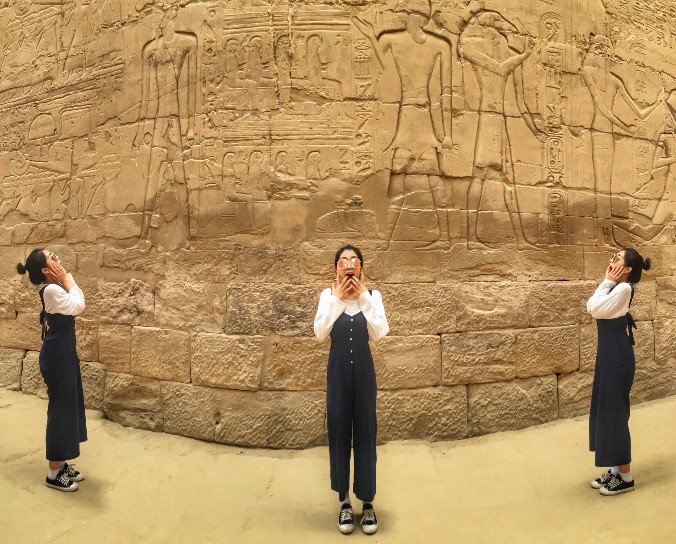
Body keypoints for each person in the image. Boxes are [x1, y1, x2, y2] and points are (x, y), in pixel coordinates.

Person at [314, 245, 389, 534]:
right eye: (343, 261)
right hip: (338, 375)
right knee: (339, 432)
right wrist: (337, 299)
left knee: (366, 432)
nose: (348, 264)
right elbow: (320, 332)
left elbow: (380, 332)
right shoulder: (327, 296)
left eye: (354, 260)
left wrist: (363, 297)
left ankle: (367, 503)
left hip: (365, 375)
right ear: (336, 269)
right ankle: (344, 502)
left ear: (361, 268)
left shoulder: (373, 296)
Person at [17, 248, 87, 492]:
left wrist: (66, 279)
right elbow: (79, 305)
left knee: (68, 409)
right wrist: (67, 279)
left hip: (63, 356)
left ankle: (63, 463)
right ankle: (53, 473)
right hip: (57, 359)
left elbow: (76, 299)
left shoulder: (55, 287)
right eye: (52, 257)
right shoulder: (52, 290)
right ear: (46, 270)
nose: (58, 258)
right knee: (60, 413)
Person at [586, 248, 651, 495]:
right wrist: (607, 281)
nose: (612, 259)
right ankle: (614, 470)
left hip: (617, 357)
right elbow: (591, 305)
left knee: (614, 413)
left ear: (628, 269)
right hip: (609, 355)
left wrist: (606, 281)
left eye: (618, 257)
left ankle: (626, 477)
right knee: (606, 409)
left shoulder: (623, 288)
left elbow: (595, 310)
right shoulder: (614, 286)